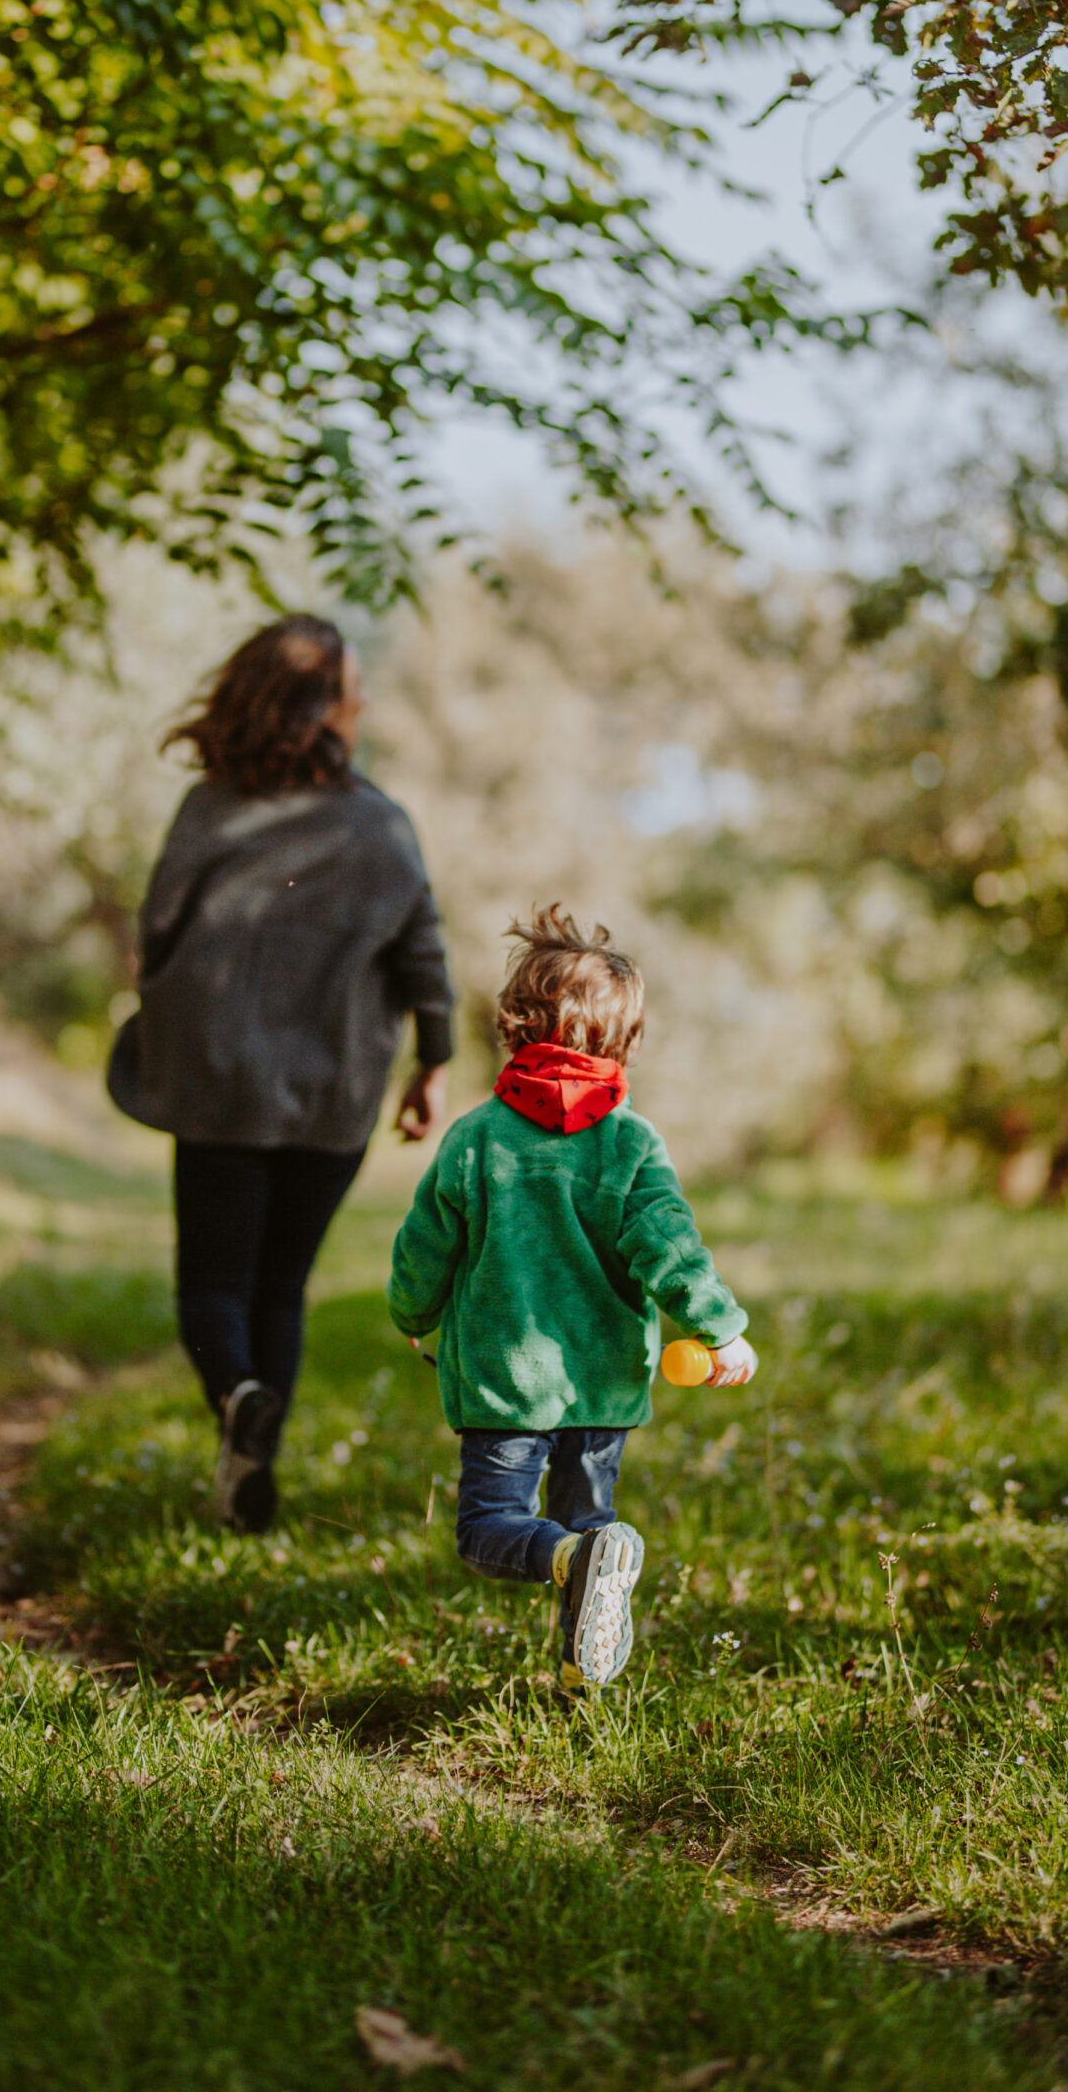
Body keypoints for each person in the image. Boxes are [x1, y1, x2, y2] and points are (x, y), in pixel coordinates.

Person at [109, 615, 452, 1533]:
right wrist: (435, 1059)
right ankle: (251, 1471)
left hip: (221, 1083)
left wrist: (172, 1018)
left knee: (213, 1287)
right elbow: (423, 950)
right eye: (352, 685)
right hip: (333, 1091)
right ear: (320, 704)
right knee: (281, 1288)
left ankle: (237, 1396)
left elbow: (157, 929)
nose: (364, 698)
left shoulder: (212, 807)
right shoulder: (381, 824)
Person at [387, 905, 755, 1694]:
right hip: (603, 1379)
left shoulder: (477, 1138)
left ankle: (563, 1568)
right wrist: (719, 1330)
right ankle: (577, 1673)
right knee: (595, 1531)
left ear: (514, 1026)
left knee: (491, 1528)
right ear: (622, 1044)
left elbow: (423, 1248)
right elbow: (669, 1246)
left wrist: (412, 1314)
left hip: (501, 1381)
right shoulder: (630, 1143)